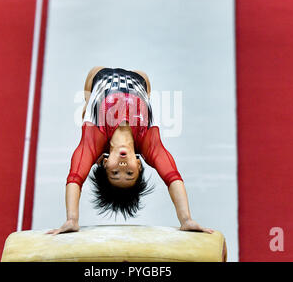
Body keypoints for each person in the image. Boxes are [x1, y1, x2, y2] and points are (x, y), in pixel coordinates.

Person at [47, 66, 213, 235]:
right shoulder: (150, 144)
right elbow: (172, 178)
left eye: (115, 173)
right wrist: (186, 219)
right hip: (140, 80)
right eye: (129, 173)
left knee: (90, 87)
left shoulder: (93, 139)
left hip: (99, 76)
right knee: (144, 77)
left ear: (104, 163)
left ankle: (87, 106)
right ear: (139, 164)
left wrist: (72, 219)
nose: (123, 165)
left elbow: (75, 177)